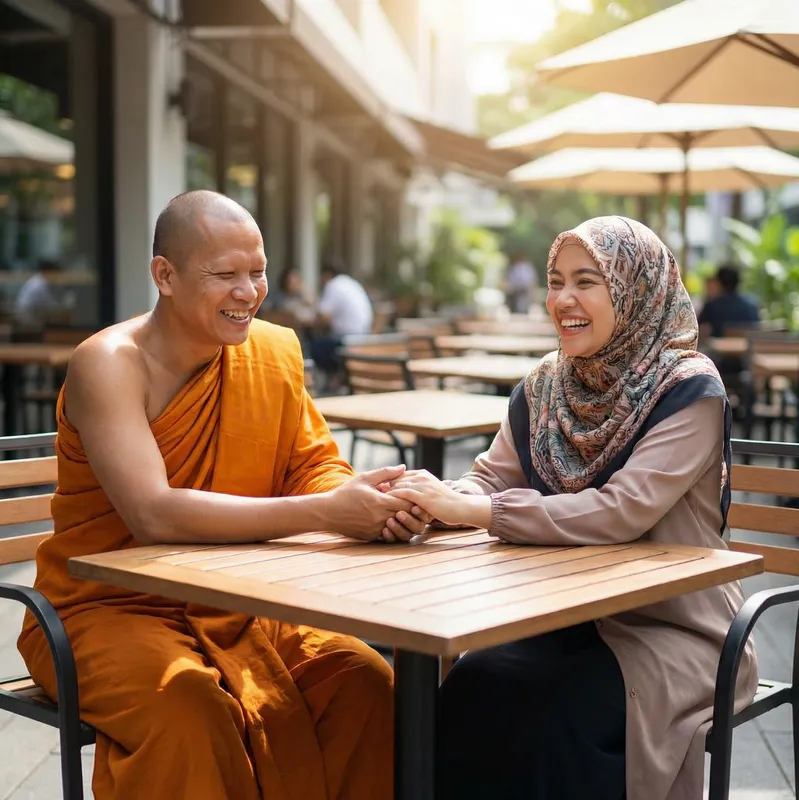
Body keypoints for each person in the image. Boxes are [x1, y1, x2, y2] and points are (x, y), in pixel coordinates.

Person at [17, 190, 430, 800]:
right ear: (165, 275)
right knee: (190, 712)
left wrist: (371, 505)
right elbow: (152, 512)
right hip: (103, 610)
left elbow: (313, 466)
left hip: (240, 601)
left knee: (362, 679)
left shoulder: (273, 353)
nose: (249, 292)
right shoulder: (108, 364)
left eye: (258, 272)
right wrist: (325, 512)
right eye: (226, 275)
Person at [386, 217, 758, 800]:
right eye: (555, 281)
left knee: (555, 716)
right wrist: (431, 501)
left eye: (587, 282)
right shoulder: (544, 386)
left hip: (672, 631)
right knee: (472, 685)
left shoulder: (689, 389)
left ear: (634, 289)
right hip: (561, 617)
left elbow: (622, 510)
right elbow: (490, 477)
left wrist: (480, 514)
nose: (563, 300)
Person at [697, 262, 760, 338]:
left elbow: (696, 328)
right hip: (747, 349)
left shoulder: (712, 306)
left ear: (719, 283)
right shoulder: (751, 306)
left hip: (719, 349)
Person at [13, 258, 60, 326]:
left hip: (27, 316)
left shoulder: (37, 279)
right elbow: (53, 307)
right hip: (27, 321)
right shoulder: (40, 284)